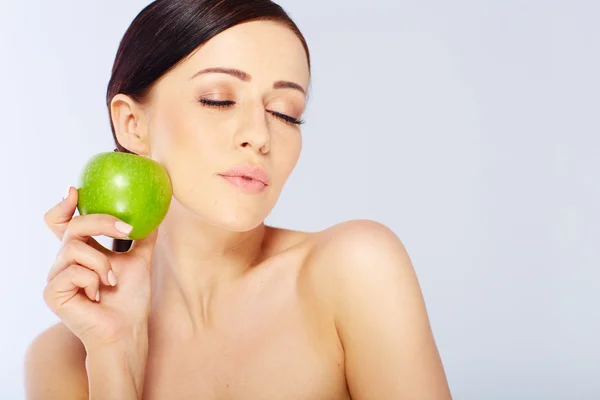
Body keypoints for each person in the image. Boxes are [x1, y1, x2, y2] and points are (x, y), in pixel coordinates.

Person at [24, 0, 452, 398]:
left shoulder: (354, 268)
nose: (260, 136)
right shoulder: (64, 358)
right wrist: (115, 357)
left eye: (286, 112)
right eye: (219, 99)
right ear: (133, 124)